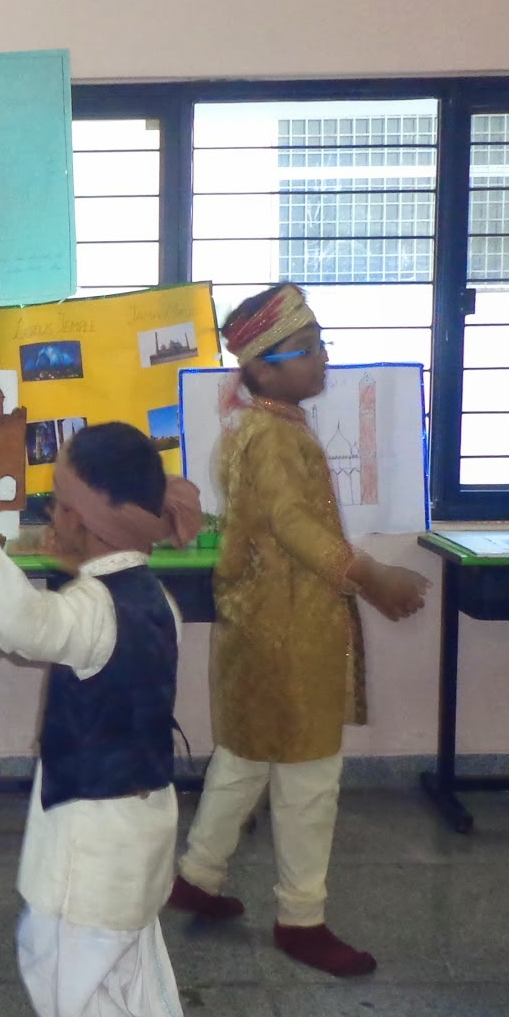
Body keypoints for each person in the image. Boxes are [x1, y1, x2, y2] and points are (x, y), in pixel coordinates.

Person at [0, 424, 211, 1017]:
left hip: (99, 833)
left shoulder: (95, 604)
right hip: (133, 819)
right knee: (121, 974)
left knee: (65, 981)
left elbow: (24, 626)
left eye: (59, 505)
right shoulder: (153, 594)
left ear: (88, 521)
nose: (51, 518)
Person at [166, 284, 428, 975]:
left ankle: (197, 877)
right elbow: (293, 525)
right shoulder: (273, 437)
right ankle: (301, 919)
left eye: (320, 345)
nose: (323, 359)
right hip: (286, 633)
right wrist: (373, 575)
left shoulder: (257, 428)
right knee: (309, 776)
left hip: (262, 625)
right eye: (307, 349)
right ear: (262, 367)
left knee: (245, 758)